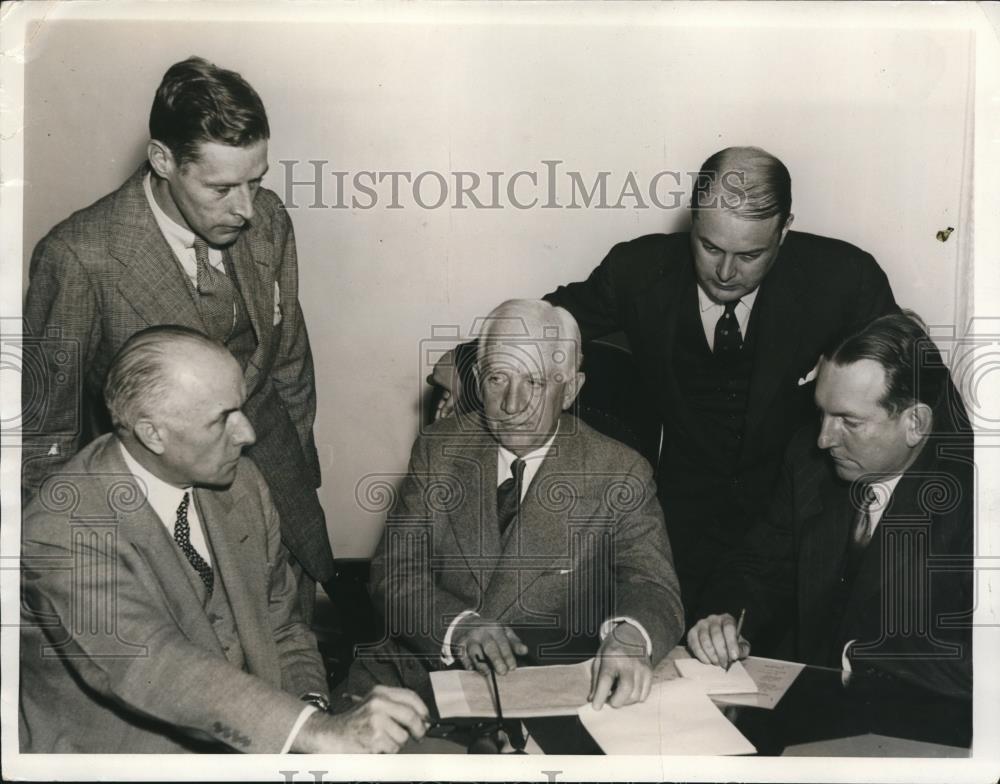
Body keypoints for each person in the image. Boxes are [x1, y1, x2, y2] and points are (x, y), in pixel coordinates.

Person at [431, 146, 897, 621]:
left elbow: (915, 385)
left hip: (792, 528)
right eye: (710, 247)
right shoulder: (637, 270)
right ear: (693, 221)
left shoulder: (845, 279)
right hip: (679, 518)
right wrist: (459, 368)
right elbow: (545, 323)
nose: (726, 272)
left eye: (750, 255)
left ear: (785, 228)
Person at [21, 56, 332, 621]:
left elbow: (289, 363)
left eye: (256, 181)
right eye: (221, 188)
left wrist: (299, 479)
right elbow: (44, 435)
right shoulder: (78, 257)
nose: (246, 209)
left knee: (292, 646)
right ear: (163, 160)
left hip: (277, 481)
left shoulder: (269, 220)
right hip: (157, 509)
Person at [19, 326, 429, 753]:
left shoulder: (242, 483)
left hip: (252, 744)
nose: (248, 433)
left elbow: (283, 626)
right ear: (152, 433)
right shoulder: (60, 531)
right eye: (221, 419)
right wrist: (314, 732)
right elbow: (153, 665)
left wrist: (310, 706)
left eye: (242, 407)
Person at [350, 300, 684, 712]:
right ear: (476, 379)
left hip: (542, 689)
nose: (512, 405)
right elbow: (396, 571)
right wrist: (458, 628)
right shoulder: (439, 449)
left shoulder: (619, 472)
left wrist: (631, 637)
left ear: (571, 389)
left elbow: (653, 587)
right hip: (417, 677)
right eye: (497, 379)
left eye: (535, 383)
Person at [688, 312, 973, 700]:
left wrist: (859, 656)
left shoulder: (977, 498)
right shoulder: (809, 462)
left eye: (848, 422)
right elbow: (758, 566)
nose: (823, 439)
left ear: (916, 423)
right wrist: (723, 618)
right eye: (821, 412)